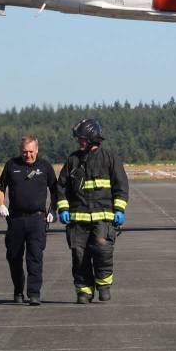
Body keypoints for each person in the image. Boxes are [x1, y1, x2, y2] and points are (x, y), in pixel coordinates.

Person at [56, 119, 129, 304]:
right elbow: (61, 187)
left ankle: (103, 286)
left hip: (103, 218)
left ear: (91, 138)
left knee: (103, 252)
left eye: (81, 138)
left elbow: (121, 186)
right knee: (79, 255)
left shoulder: (110, 158)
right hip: (78, 220)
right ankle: (84, 291)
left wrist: (119, 209)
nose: (79, 142)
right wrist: (63, 208)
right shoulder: (73, 160)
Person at [0, 135, 58, 306]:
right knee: (14, 257)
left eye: (31, 151)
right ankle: (18, 290)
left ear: (37, 150)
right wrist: (1, 205)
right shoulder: (11, 165)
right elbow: (1, 188)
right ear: (20, 151)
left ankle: (34, 293)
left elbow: (55, 190)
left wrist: (53, 209)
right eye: (25, 152)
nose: (28, 155)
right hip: (15, 219)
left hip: (37, 219)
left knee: (35, 257)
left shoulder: (45, 166)